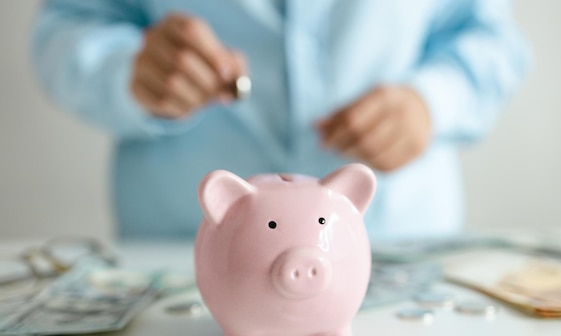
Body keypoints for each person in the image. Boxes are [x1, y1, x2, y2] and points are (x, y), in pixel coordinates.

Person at [31, 0, 530, 241]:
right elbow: (64, 27)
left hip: (397, 240)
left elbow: (494, 40)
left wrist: (431, 102)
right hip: (178, 250)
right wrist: (128, 70)